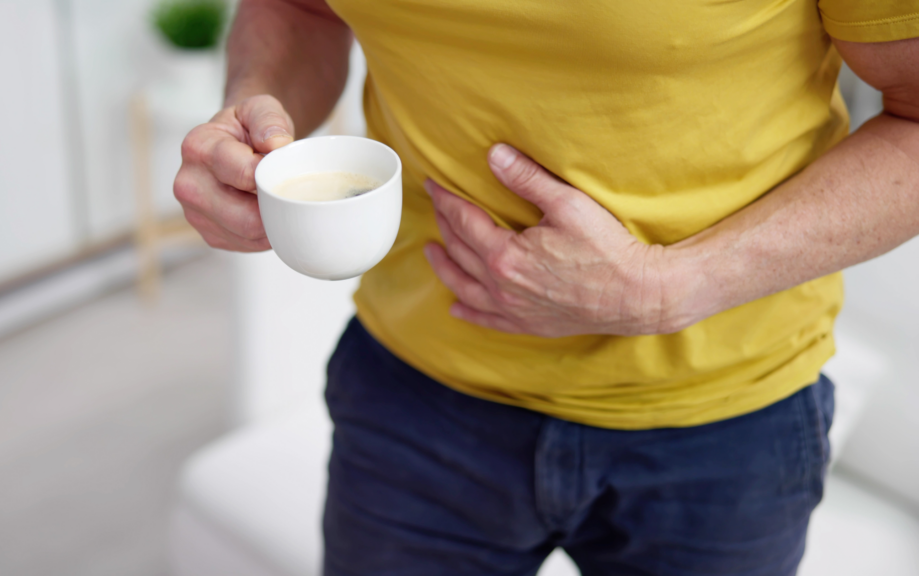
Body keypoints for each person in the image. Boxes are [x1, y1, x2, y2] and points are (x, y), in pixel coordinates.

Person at [174, 0, 919, 573]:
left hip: (722, 424)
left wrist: (670, 286)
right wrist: (258, 117)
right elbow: (299, 9)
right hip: (415, 397)